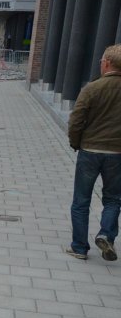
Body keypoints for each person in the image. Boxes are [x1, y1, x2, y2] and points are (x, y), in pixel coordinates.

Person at [66, 44, 121, 260]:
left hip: (90, 150)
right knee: (114, 199)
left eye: (101, 61)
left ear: (106, 63)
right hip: (117, 153)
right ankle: (106, 233)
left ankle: (79, 247)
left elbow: (76, 121)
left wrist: (76, 142)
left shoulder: (92, 88)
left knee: (81, 200)